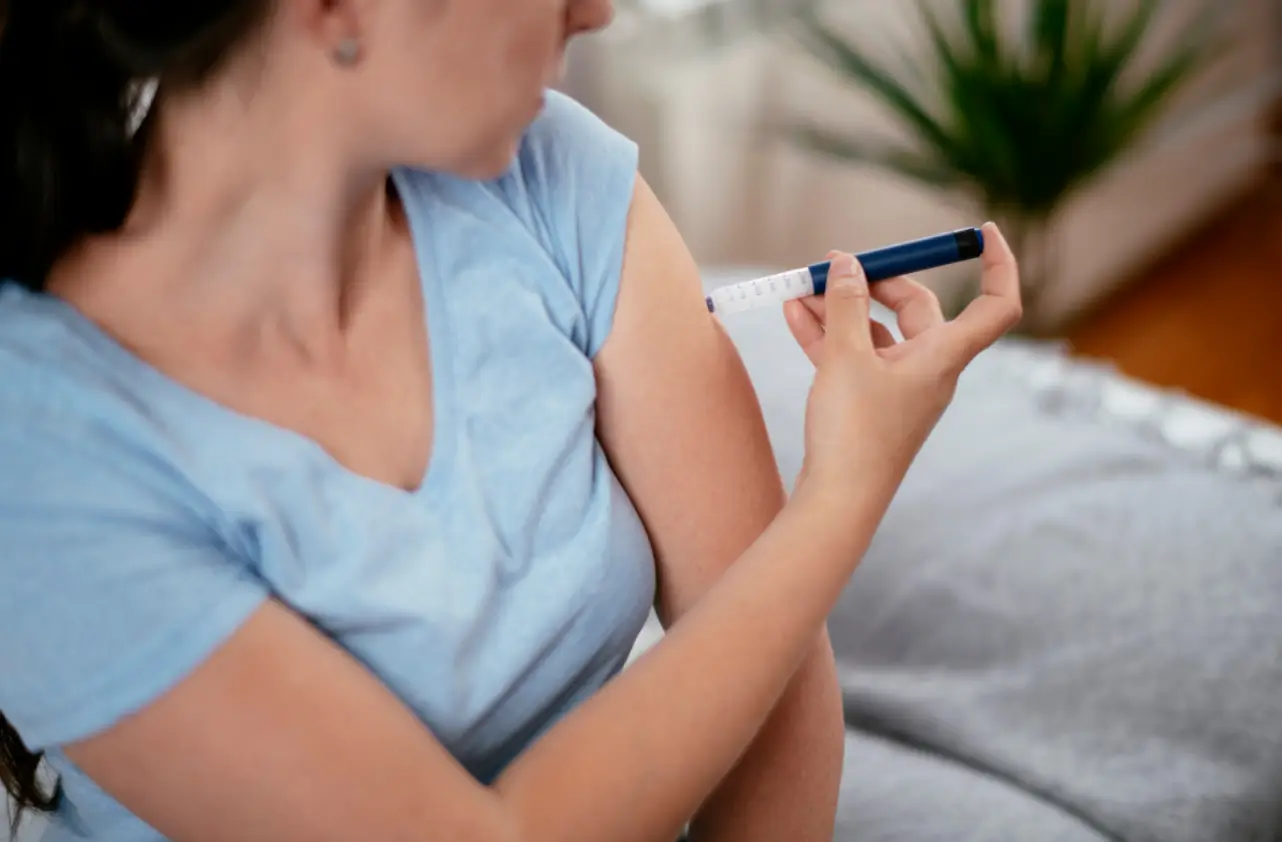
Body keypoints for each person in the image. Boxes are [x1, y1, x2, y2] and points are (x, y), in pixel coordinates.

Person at [0, 1, 1022, 840]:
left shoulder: (549, 173)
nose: (597, 11)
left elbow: (781, 694)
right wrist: (841, 492)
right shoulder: (40, 459)